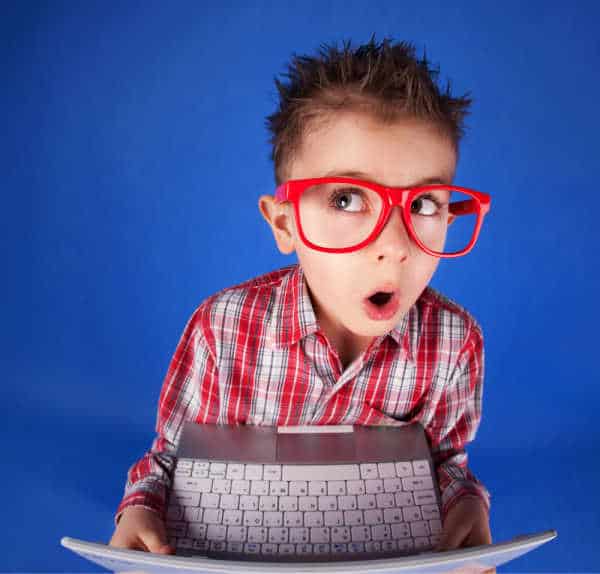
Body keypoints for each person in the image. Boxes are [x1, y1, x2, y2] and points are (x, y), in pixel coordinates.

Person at [109, 37, 493, 556]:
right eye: (347, 198)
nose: (395, 247)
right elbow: (167, 462)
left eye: (424, 202)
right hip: (238, 548)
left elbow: (446, 461)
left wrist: (465, 501)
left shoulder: (455, 342)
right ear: (286, 223)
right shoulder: (221, 329)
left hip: (378, 550)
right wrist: (141, 507)